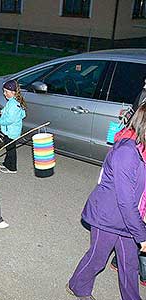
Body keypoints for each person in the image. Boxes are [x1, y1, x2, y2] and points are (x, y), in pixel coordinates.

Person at [67, 103, 146, 300]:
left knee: (130, 265)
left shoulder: (141, 147)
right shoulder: (127, 153)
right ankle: (77, 286)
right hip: (108, 216)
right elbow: (126, 201)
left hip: (127, 218)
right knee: (97, 258)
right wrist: (142, 236)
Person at [0, 79, 26, 174]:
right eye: (4, 91)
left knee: (11, 150)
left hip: (11, 132)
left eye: (6, 92)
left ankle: (12, 168)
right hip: (11, 131)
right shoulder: (13, 101)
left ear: (13, 92)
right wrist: (3, 111)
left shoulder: (13, 104)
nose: (4, 94)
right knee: (9, 148)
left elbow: (9, 120)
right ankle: (7, 163)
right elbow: (18, 113)